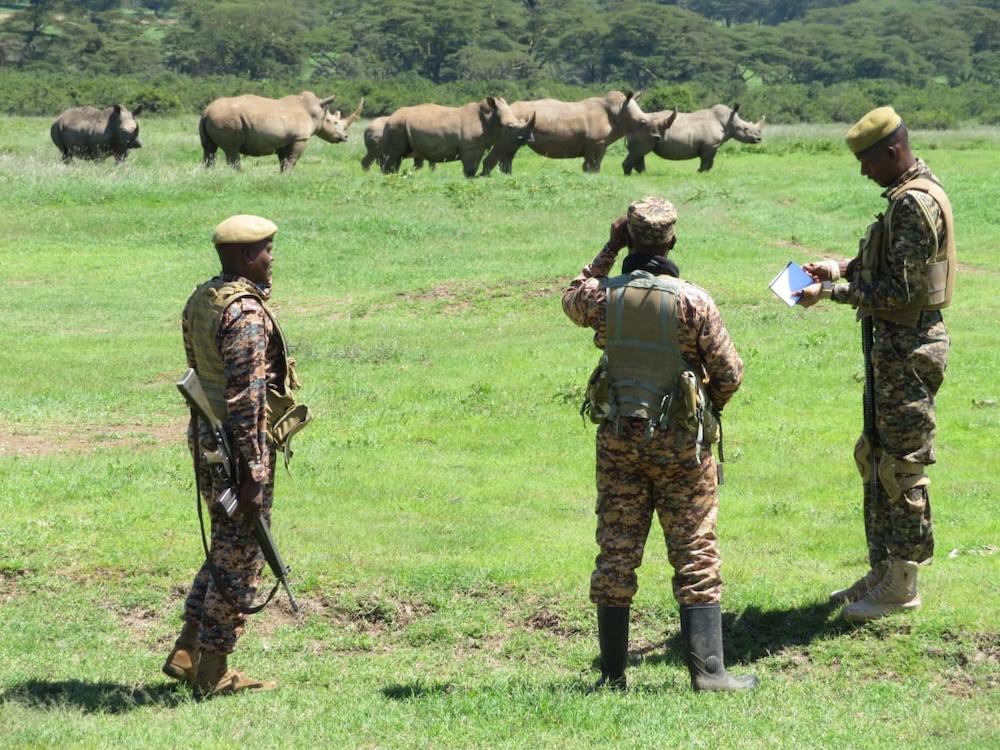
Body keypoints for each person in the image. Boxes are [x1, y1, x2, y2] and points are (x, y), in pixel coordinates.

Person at [562, 197, 757, 692]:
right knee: (694, 547)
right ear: (672, 239)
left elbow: (570, 296)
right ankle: (709, 673)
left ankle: (611, 675)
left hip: (619, 441)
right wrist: (701, 409)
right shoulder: (693, 301)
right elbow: (731, 374)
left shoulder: (603, 297)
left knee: (617, 549)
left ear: (630, 237)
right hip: (681, 447)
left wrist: (608, 248)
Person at [796, 107, 954, 623]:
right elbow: (898, 265)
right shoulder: (915, 190)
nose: (863, 172)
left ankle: (902, 584)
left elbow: (902, 288)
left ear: (891, 152)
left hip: (907, 349)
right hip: (895, 345)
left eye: (866, 161)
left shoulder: (911, 203)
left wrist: (831, 291)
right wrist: (841, 266)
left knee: (903, 465)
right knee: (878, 456)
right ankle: (885, 571)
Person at [163, 214, 307, 698]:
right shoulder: (244, 314)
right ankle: (213, 670)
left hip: (208, 438)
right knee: (240, 560)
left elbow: (196, 366)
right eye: (267, 249)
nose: (272, 257)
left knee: (226, 546)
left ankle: (187, 650)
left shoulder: (203, 297)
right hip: (236, 448)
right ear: (247, 257)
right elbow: (248, 399)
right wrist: (254, 474)